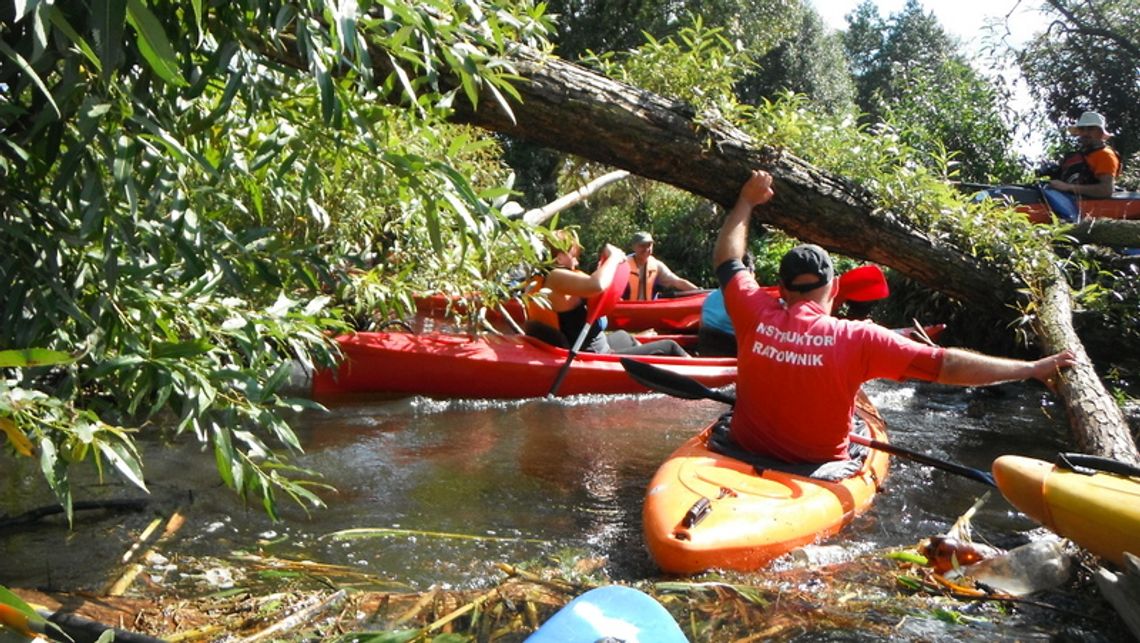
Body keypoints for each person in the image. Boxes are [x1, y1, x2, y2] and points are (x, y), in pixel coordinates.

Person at [712, 169, 1078, 479]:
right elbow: (948, 365)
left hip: (741, 453)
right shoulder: (860, 338)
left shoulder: (752, 308)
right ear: (835, 288)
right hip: (818, 470)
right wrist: (1031, 368)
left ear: (783, 287)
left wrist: (746, 201)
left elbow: (728, 258)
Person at [523, 230, 690, 357]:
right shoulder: (555, 278)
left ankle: (644, 366)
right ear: (558, 258)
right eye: (574, 255)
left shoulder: (540, 277)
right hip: (594, 356)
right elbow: (597, 284)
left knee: (625, 336)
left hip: (595, 346)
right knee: (669, 346)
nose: (577, 261)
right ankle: (708, 381)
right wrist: (614, 257)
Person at [1048, 111, 1121, 199]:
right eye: (1082, 129)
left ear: (1101, 132)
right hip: (1070, 204)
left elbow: (1106, 190)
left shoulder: (1105, 155)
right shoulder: (1079, 155)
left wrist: (1068, 187)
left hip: (1092, 209)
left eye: (1090, 129)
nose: (1085, 133)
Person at [624, 231, 700, 300]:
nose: (647, 249)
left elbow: (677, 282)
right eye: (642, 245)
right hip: (627, 309)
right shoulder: (623, 265)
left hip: (648, 309)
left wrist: (699, 291)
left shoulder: (657, 265)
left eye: (649, 245)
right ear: (633, 247)